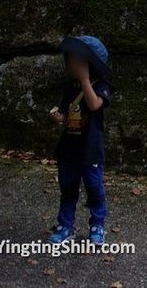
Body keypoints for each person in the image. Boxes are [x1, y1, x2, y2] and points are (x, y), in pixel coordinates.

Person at [47, 35, 113, 246]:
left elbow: (94, 105)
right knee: (68, 187)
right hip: (69, 147)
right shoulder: (70, 88)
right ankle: (65, 225)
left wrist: (85, 80)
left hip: (90, 149)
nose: (71, 64)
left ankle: (97, 224)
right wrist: (59, 117)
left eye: (77, 60)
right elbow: (69, 116)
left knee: (94, 187)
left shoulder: (102, 86)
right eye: (70, 60)